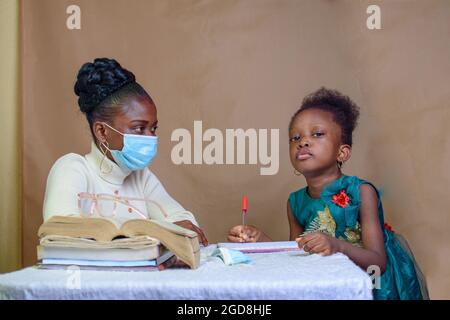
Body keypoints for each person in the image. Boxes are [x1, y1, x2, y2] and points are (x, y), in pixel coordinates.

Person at [228, 87, 427, 299]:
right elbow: (297, 252)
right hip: (331, 282)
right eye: (295, 138)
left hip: (372, 284)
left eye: (317, 134)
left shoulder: (362, 192)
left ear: (342, 152)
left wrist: (337, 245)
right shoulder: (295, 202)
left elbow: (378, 262)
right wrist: (260, 238)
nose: (303, 141)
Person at [43, 57, 208, 245]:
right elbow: (61, 234)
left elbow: (183, 220)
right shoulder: (72, 168)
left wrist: (175, 229)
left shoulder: (140, 176)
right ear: (102, 131)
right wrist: (158, 233)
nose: (150, 137)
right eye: (139, 128)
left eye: (153, 129)